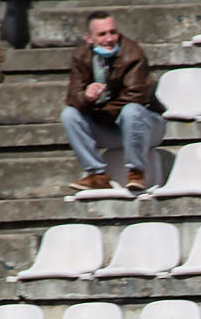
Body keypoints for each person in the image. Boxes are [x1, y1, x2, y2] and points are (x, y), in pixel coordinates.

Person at [62, 12, 163, 196]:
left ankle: (136, 173)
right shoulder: (80, 56)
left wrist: (100, 111)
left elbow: (135, 96)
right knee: (69, 115)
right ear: (89, 38)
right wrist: (87, 96)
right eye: (102, 34)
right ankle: (97, 175)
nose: (109, 39)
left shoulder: (132, 53)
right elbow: (72, 96)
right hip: (109, 125)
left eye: (113, 32)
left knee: (131, 111)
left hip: (145, 126)